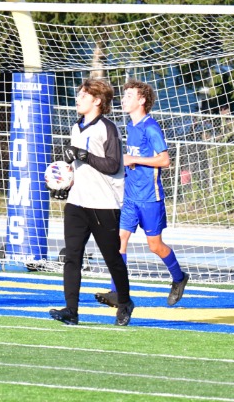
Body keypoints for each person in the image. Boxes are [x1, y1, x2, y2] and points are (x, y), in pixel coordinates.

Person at [95, 79, 189, 308]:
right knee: (119, 240)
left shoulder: (150, 127)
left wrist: (134, 159)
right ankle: (117, 293)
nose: (123, 100)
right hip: (130, 196)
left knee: (155, 246)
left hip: (150, 197)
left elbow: (164, 160)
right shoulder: (130, 126)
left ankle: (179, 278)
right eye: (124, 95)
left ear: (142, 100)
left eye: (129, 96)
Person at [48, 77, 135, 326]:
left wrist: (83, 155)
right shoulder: (76, 127)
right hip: (77, 203)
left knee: (112, 258)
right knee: (72, 256)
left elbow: (113, 165)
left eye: (83, 96)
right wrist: (65, 185)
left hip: (104, 204)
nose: (78, 99)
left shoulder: (107, 128)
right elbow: (77, 167)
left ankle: (125, 301)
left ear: (97, 101)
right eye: (79, 95)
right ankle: (71, 311)